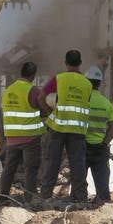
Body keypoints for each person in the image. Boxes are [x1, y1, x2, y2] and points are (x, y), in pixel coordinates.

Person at [38, 48, 92, 203]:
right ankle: (79, 198)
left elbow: (42, 97)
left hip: (58, 127)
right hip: (78, 129)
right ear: (80, 63)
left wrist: (50, 113)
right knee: (78, 165)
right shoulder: (87, 83)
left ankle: (46, 196)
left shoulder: (59, 78)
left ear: (66, 63)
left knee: (52, 162)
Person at [0, 60, 44, 198]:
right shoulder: (33, 91)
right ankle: (29, 198)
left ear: (21, 72)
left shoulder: (8, 91)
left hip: (12, 137)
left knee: (9, 168)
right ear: (33, 76)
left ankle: (3, 196)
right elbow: (42, 108)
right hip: (30, 137)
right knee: (31, 169)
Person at [83, 65, 113, 205]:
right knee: (102, 179)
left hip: (83, 146)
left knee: (79, 178)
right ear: (99, 83)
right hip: (100, 148)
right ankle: (103, 202)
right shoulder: (106, 103)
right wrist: (104, 143)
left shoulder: (83, 102)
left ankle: (78, 200)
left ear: (87, 82)